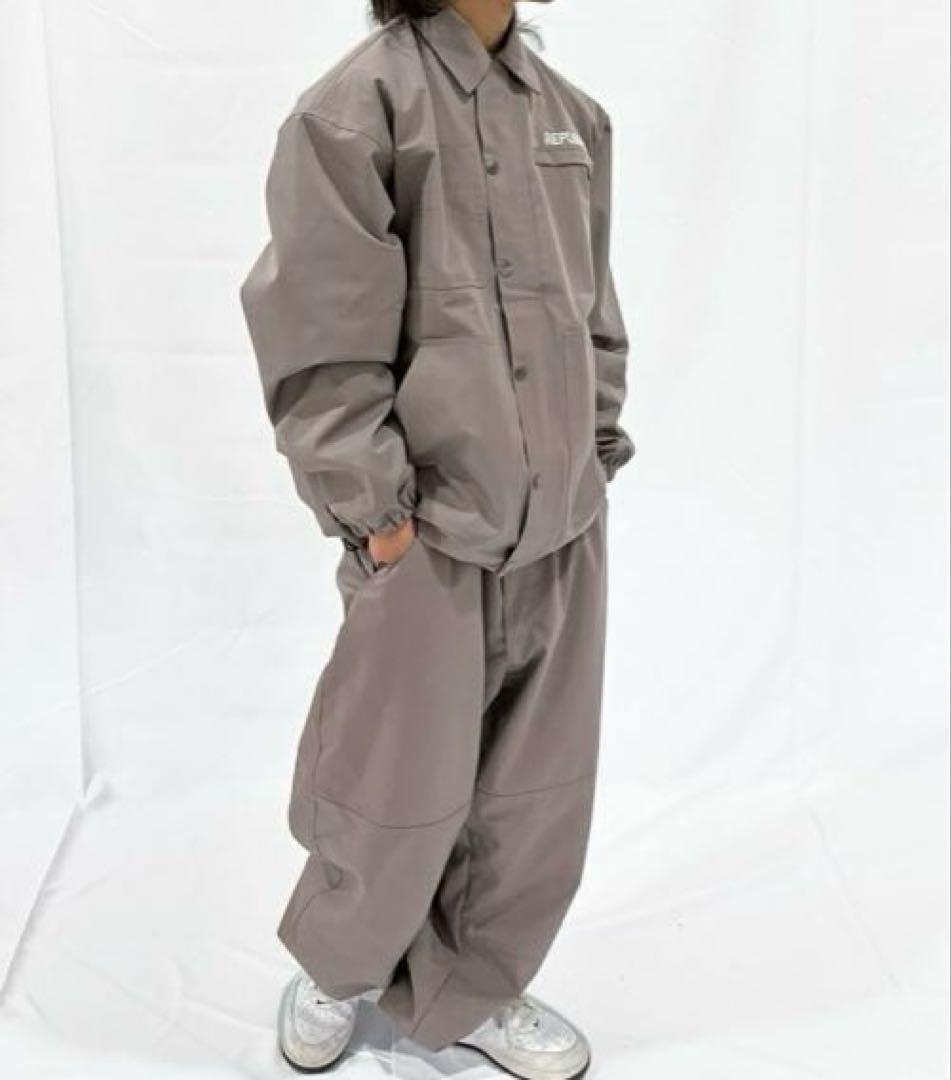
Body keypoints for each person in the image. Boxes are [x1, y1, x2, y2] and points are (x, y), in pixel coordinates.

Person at [240, 0, 634, 1075]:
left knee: (533, 789)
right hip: (427, 531)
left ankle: (475, 988)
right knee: (389, 778)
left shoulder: (574, 118)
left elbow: (594, 310)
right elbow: (320, 332)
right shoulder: (352, 110)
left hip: (561, 520)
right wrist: (376, 517)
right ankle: (340, 967)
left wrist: (593, 449)